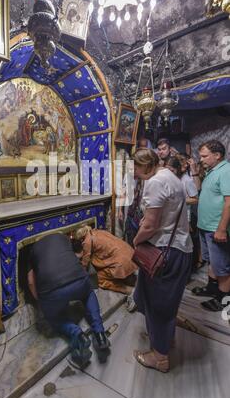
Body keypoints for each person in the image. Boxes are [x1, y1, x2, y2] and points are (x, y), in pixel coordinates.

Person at [132, 148, 192, 373]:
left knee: (157, 304)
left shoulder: (156, 182)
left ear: (146, 165)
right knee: (167, 302)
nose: (136, 174)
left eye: (137, 168)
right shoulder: (170, 175)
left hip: (164, 251)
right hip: (179, 247)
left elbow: (150, 225)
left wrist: (136, 242)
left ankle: (159, 358)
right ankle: (165, 340)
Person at [26, 233, 111, 367]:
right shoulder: (62, 237)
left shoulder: (32, 251)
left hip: (52, 291)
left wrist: (42, 301)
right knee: (88, 293)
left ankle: (78, 335)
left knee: (53, 318)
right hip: (78, 280)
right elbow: (76, 256)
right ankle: (100, 334)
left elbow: (31, 282)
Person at [191, 140, 230, 312]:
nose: (201, 159)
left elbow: (229, 202)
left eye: (205, 156)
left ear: (217, 155)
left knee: (222, 266)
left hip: (216, 228)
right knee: (213, 262)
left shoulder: (226, 171)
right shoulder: (211, 171)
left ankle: (224, 299)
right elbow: (200, 191)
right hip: (205, 226)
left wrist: (221, 229)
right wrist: (194, 173)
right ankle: (212, 288)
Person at [72, 226, 138, 295]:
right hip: (131, 254)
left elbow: (85, 264)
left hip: (122, 263)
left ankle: (127, 290)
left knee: (100, 279)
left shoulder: (87, 242)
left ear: (80, 238)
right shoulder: (98, 231)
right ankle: (132, 282)